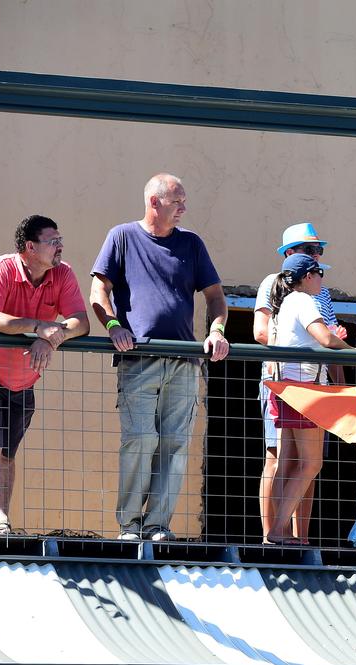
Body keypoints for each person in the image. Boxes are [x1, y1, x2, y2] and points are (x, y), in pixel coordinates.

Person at [90, 173, 230, 542]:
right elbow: (98, 290)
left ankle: (157, 526)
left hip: (184, 360)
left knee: (176, 443)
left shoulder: (192, 244)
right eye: (177, 200)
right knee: (139, 438)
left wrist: (216, 331)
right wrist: (114, 325)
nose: (183, 207)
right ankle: (130, 526)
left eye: (183, 201)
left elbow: (216, 297)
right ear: (154, 202)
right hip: (138, 357)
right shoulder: (122, 236)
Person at [0, 215, 89, 535]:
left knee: (8, 451)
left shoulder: (63, 273)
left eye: (60, 240)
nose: (60, 246)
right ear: (30, 246)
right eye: (53, 241)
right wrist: (36, 326)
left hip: (22, 376)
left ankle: (3, 524)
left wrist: (49, 338)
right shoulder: (1, 268)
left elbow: (81, 322)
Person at [253, 223, 346, 544]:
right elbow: (262, 333)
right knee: (283, 458)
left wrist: (339, 386)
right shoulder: (280, 287)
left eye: (319, 251)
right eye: (311, 252)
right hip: (291, 382)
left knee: (301, 460)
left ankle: (296, 536)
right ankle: (273, 533)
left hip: (307, 384)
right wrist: (323, 342)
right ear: (290, 255)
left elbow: (328, 340)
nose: (317, 258)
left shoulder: (317, 295)